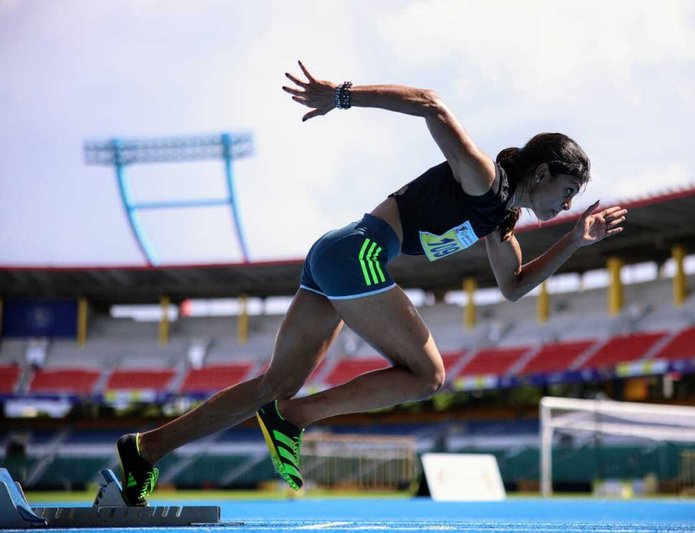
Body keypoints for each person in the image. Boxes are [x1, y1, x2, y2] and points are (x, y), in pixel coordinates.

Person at [116, 61, 627, 505]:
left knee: (273, 383)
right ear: (539, 174)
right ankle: (292, 417)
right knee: (428, 376)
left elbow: (512, 286)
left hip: (336, 256)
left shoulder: (499, 220)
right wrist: (340, 96)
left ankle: (145, 450)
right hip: (357, 254)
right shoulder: (485, 181)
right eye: (566, 191)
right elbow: (432, 105)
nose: (567, 204)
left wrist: (574, 241)